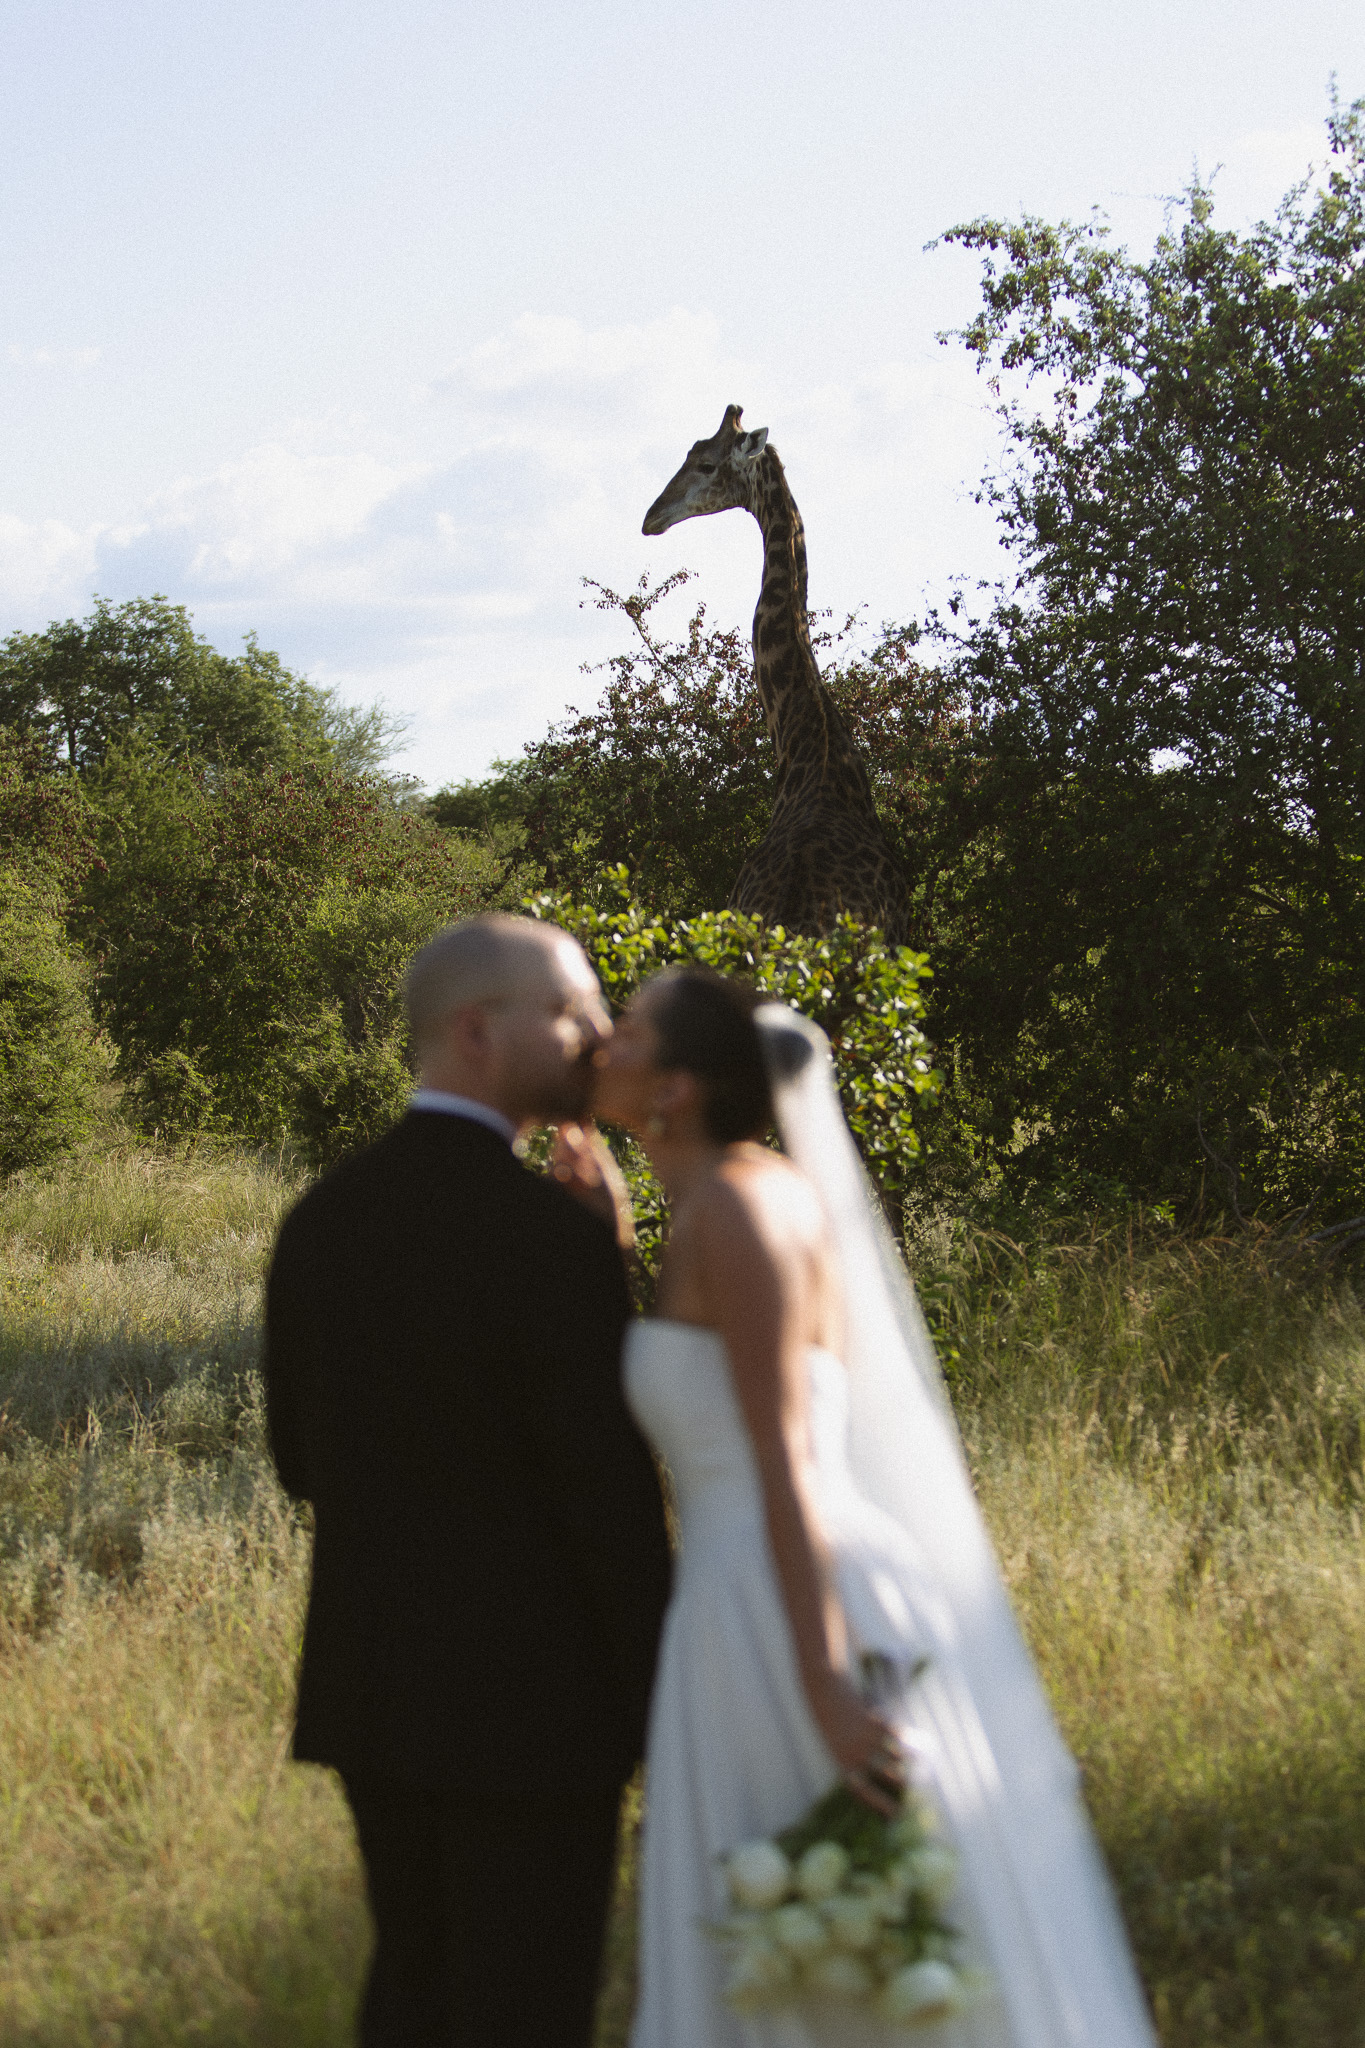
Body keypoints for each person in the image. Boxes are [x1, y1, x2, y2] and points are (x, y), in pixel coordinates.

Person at [591, 964, 1158, 2048]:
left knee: (846, 1953)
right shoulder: (723, 1199)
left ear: (675, 1089)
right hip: (741, 1597)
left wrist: (823, 1678)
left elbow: (790, 1457)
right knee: (818, 1946)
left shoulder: (741, 1211)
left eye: (625, 1030)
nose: (601, 1045)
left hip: (784, 1604)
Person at [263, 914, 672, 2048]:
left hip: (375, 1687)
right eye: (577, 1007)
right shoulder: (552, 1236)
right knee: (526, 2005)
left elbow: (299, 1462)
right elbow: (609, 1499)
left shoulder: (318, 1220)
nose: (598, 1031)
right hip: (541, 1705)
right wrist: (666, 1698)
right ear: (478, 1029)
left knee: (414, 1989)